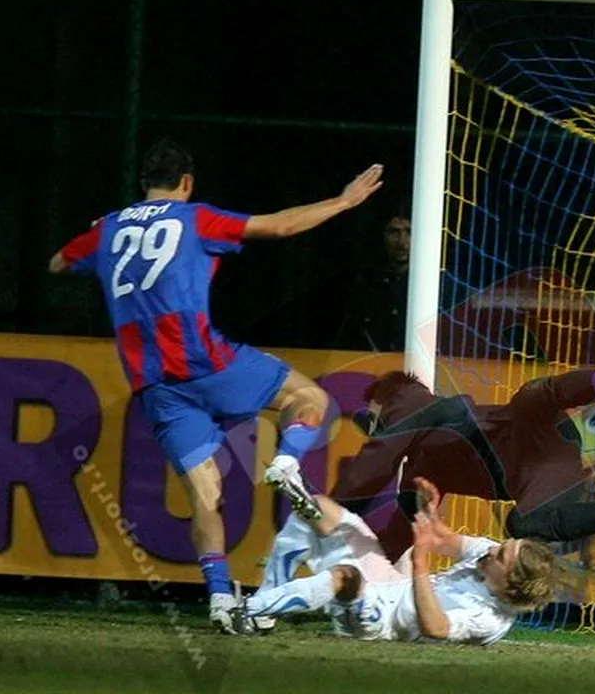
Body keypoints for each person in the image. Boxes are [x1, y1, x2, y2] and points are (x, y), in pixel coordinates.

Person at [47, 137, 384, 632]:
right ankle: (288, 460)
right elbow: (282, 225)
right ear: (186, 182)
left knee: (205, 495)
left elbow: (57, 263)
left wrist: (103, 230)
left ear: (144, 183)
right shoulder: (194, 217)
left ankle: (222, 601)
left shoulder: (109, 229)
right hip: (210, 364)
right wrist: (344, 201)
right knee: (309, 397)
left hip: (156, 386)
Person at [327, 342, 595, 567]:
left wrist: (327, 513)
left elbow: (371, 466)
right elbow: (396, 538)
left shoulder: (409, 403)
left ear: (385, 404)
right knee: (523, 526)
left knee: (531, 397)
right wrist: (347, 581)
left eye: (372, 415)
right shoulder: (420, 474)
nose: (371, 426)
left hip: (533, 431)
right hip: (548, 473)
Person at [234, 477, 558, 645]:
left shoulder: (489, 620)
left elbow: (435, 628)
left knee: (345, 577)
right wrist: (429, 511)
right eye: (502, 545)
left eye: (501, 555)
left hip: (382, 621)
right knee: (319, 510)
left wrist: (420, 563)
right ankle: (266, 606)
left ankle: (246, 610)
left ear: (511, 584)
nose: (492, 550)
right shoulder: (488, 555)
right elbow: (442, 539)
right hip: (391, 582)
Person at [334, 209, 411, 351]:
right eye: (394, 232)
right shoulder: (363, 281)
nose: (402, 242)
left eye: (409, 232)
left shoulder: (440, 285)